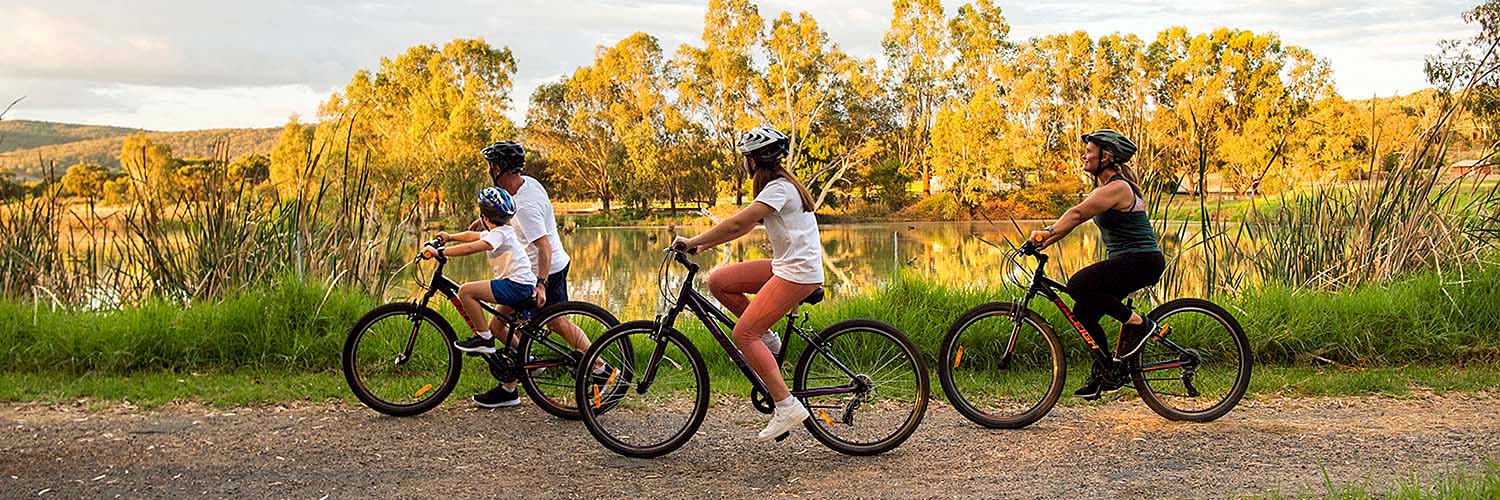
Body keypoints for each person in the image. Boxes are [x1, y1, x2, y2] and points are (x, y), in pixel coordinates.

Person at [672, 126, 822, 440]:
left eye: (746, 157)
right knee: (719, 281)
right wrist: (701, 246)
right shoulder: (779, 186)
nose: (745, 163)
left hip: (797, 273)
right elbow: (742, 227)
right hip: (787, 266)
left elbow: (740, 221)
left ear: (753, 160)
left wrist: (692, 240)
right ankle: (767, 339)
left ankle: (786, 405)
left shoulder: (778, 189)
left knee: (743, 333)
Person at [1028, 129, 1166, 400]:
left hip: (1141, 259)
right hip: (1131, 260)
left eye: (1090, 151)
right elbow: (1077, 219)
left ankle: (1138, 324)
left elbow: (1077, 213)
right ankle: (1105, 373)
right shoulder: (1106, 189)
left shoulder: (1117, 187)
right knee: (1084, 311)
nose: (1085, 155)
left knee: (1078, 285)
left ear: (1107, 156)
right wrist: (1046, 238)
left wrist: (1047, 231)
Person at [468, 141, 607, 408]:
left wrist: (541, 285)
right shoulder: (525, 184)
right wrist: (486, 222)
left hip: (545, 270)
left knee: (556, 322)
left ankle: (601, 368)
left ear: (499, 169)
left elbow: (542, 246)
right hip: (527, 271)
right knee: (499, 325)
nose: (489, 170)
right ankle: (516, 380)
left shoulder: (526, 206)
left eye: (491, 166)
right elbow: (507, 218)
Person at [423, 187, 537, 409]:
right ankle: (517, 377)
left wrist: (440, 253)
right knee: (498, 327)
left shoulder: (499, 234)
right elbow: (472, 236)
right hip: (521, 284)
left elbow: (471, 247)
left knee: (466, 291)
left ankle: (484, 340)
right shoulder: (502, 230)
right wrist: (449, 237)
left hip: (516, 286)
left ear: (484, 217)